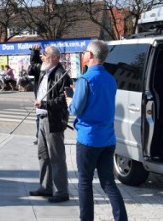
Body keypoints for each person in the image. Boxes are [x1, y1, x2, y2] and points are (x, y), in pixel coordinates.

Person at [66, 40, 128, 220]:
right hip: (108, 138)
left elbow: (76, 109)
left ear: (91, 56)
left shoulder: (85, 79)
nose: (83, 54)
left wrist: (70, 101)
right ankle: (121, 218)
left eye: (85, 52)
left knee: (85, 182)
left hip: (89, 138)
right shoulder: (110, 78)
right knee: (108, 182)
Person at [28, 44, 72, 203]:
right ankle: (45, 187)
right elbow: (31, 68)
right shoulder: (44, 70)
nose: (42, 56)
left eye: (45, 54)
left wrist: (45, 104)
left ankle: (62, 192)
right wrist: (35, 52)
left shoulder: (61, 74)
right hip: (41, 117)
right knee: (43, 155)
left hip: (53, 119)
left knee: (56, 157)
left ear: (55, 58)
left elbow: (65, 100)